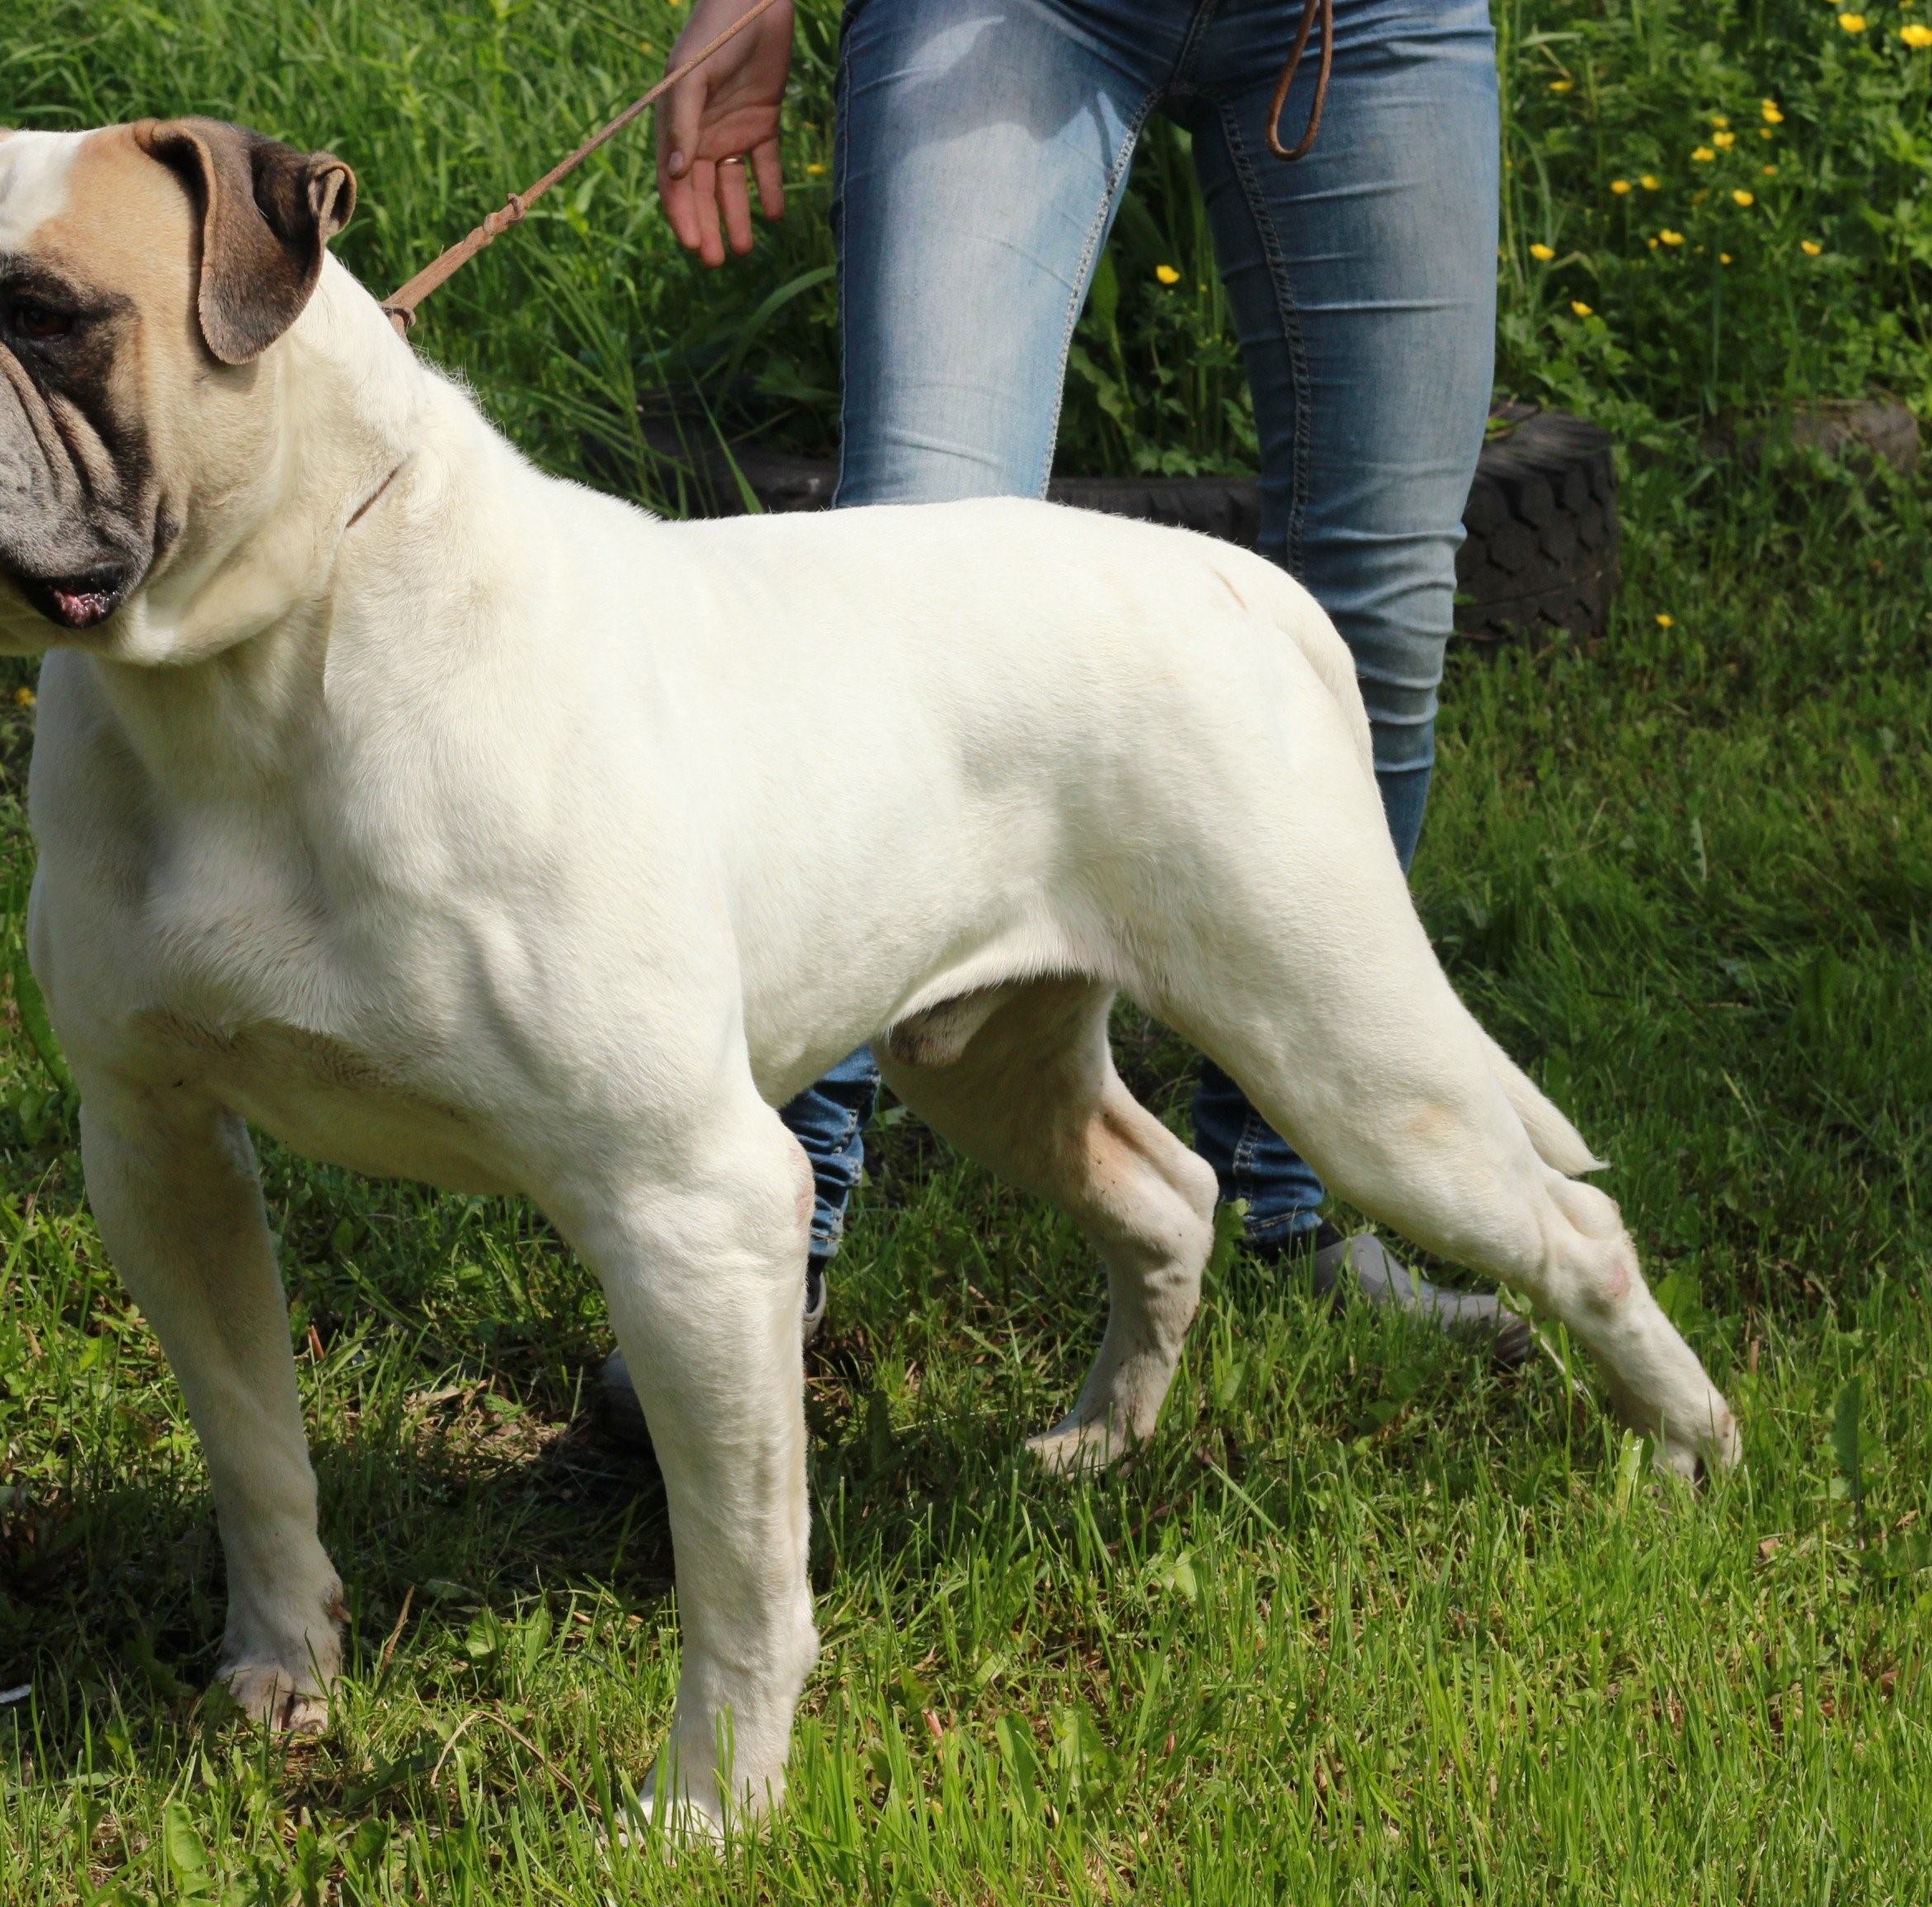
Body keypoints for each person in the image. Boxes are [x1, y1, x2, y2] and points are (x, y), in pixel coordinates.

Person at [599, 0, 1531, 1443]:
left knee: (1381, 622)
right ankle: (782, 1230)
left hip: (1368, 26)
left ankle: (1283, 1201)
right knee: (902, 595)